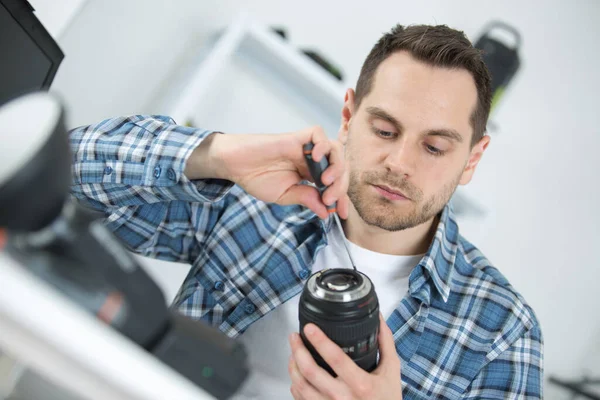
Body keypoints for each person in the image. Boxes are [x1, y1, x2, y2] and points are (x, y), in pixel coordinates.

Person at [69, 23, 543, 399]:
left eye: (435, 147)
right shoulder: (254, 205)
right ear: (348, 117)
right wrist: (217, 155)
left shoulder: (502, 329)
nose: (400, 163)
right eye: (383, 130)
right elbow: (60, 180)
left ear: (472, 159)